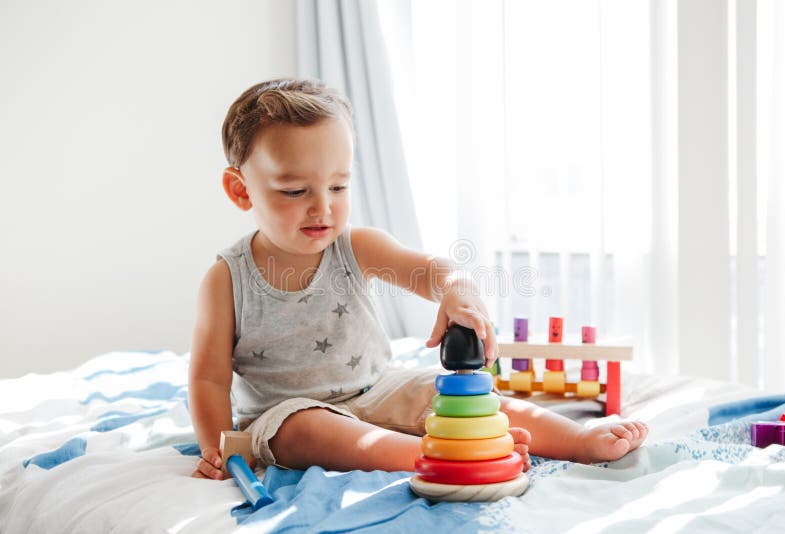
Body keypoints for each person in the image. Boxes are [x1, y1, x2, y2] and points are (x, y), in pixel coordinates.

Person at [189, 78, 648, 480]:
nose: (323, 208)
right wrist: (218, 445)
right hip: (286, 414)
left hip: (377, 389)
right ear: (240, 190)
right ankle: (430, 454)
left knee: (462, 395)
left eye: (339, 187)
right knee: (305, 429)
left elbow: (431, 271)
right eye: (295, 191)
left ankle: (577, 441)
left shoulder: (356, 247)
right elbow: (209, 378)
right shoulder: (228, 278)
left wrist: (456, 293)